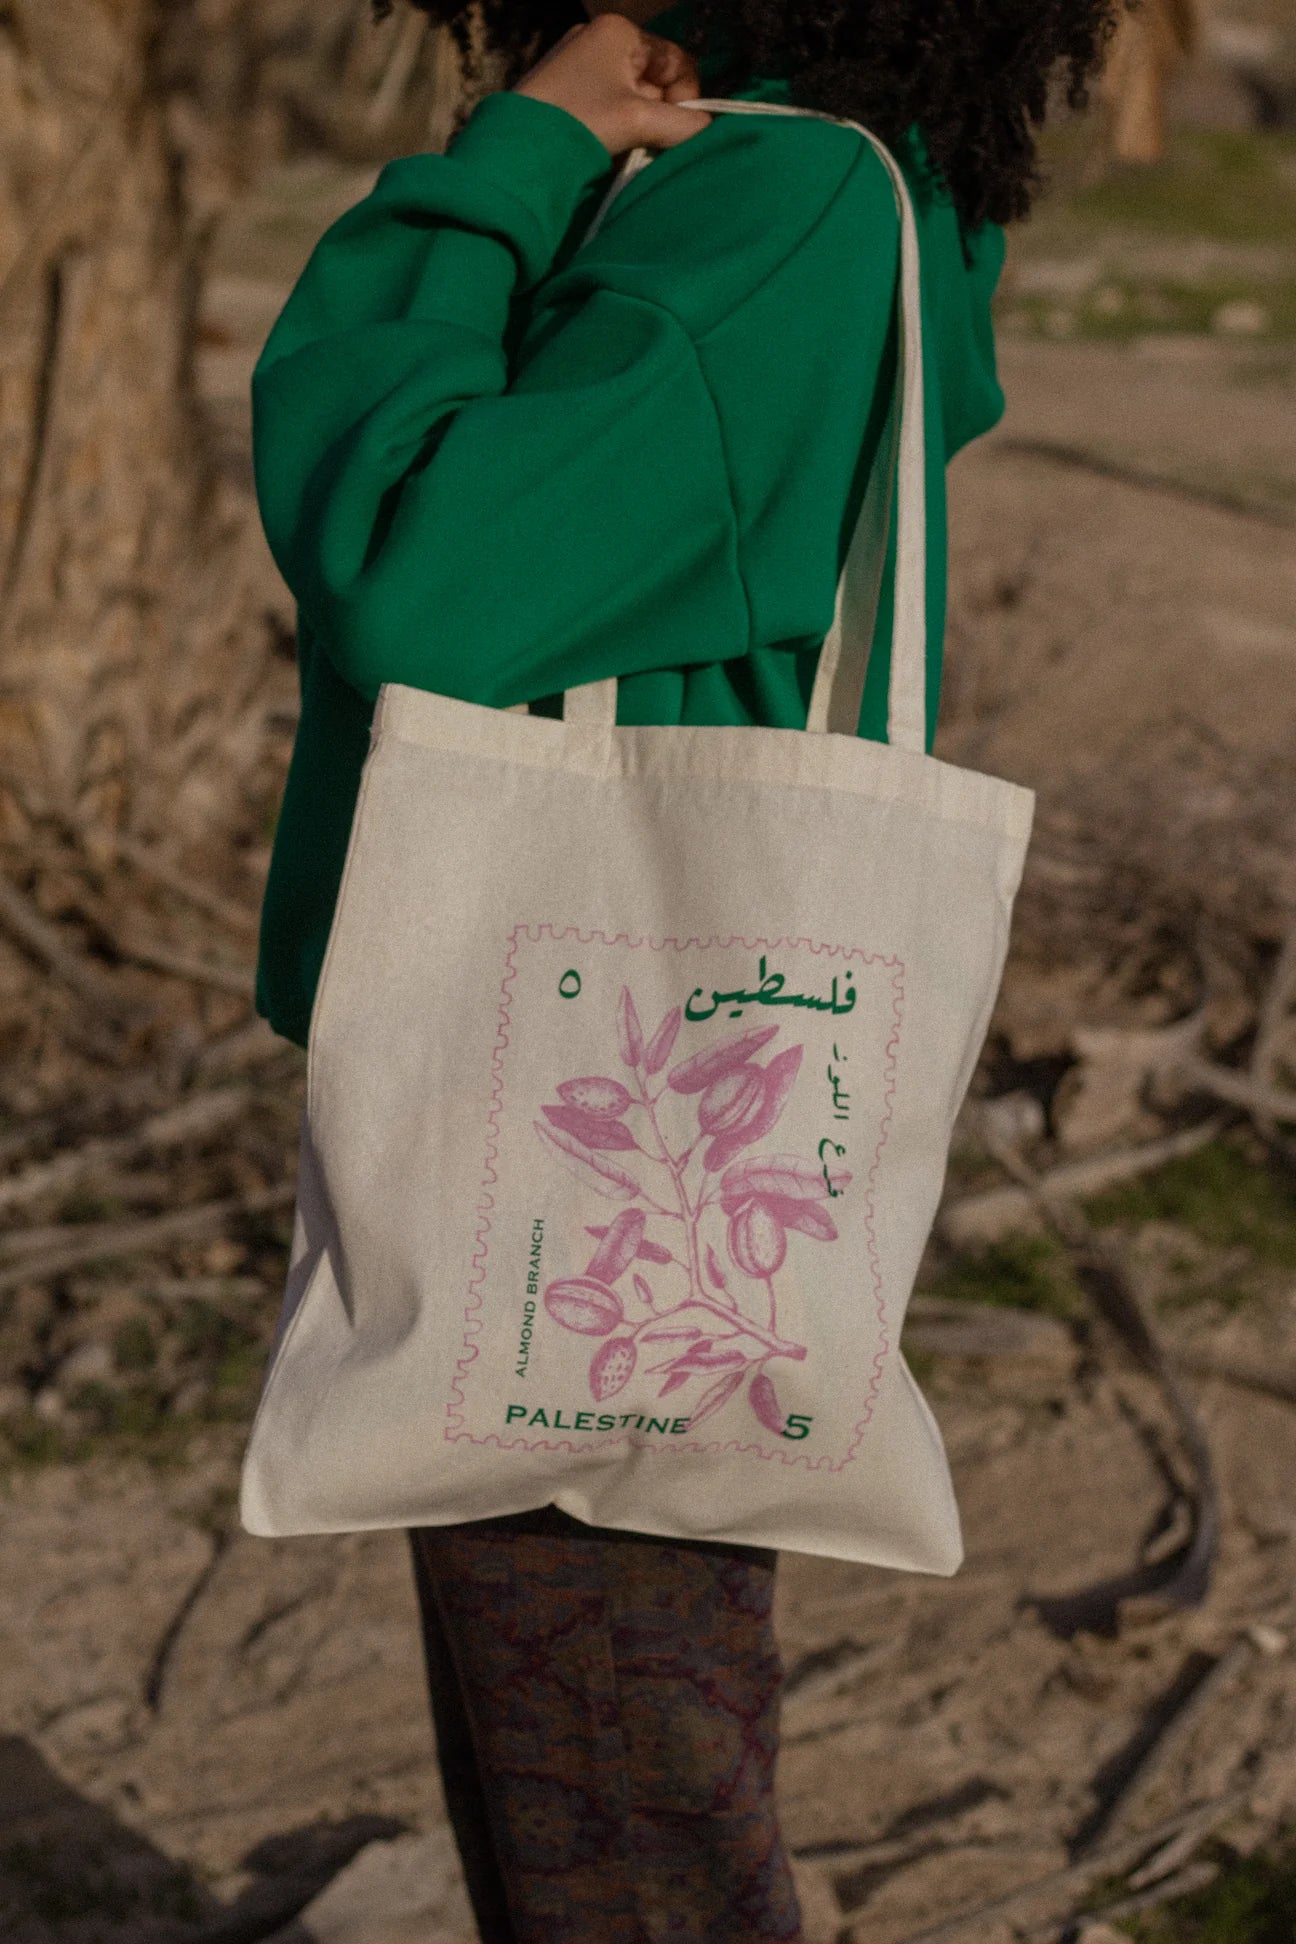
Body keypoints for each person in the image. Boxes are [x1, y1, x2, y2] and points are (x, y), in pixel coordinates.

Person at [249, 0, 1120, 1935]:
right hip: (587, 1055)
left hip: (576, 1109)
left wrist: (509, 166)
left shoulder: (770, 209)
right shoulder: (807, 182)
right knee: (588, 1796)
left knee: (624, 1838)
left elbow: (415, 564)